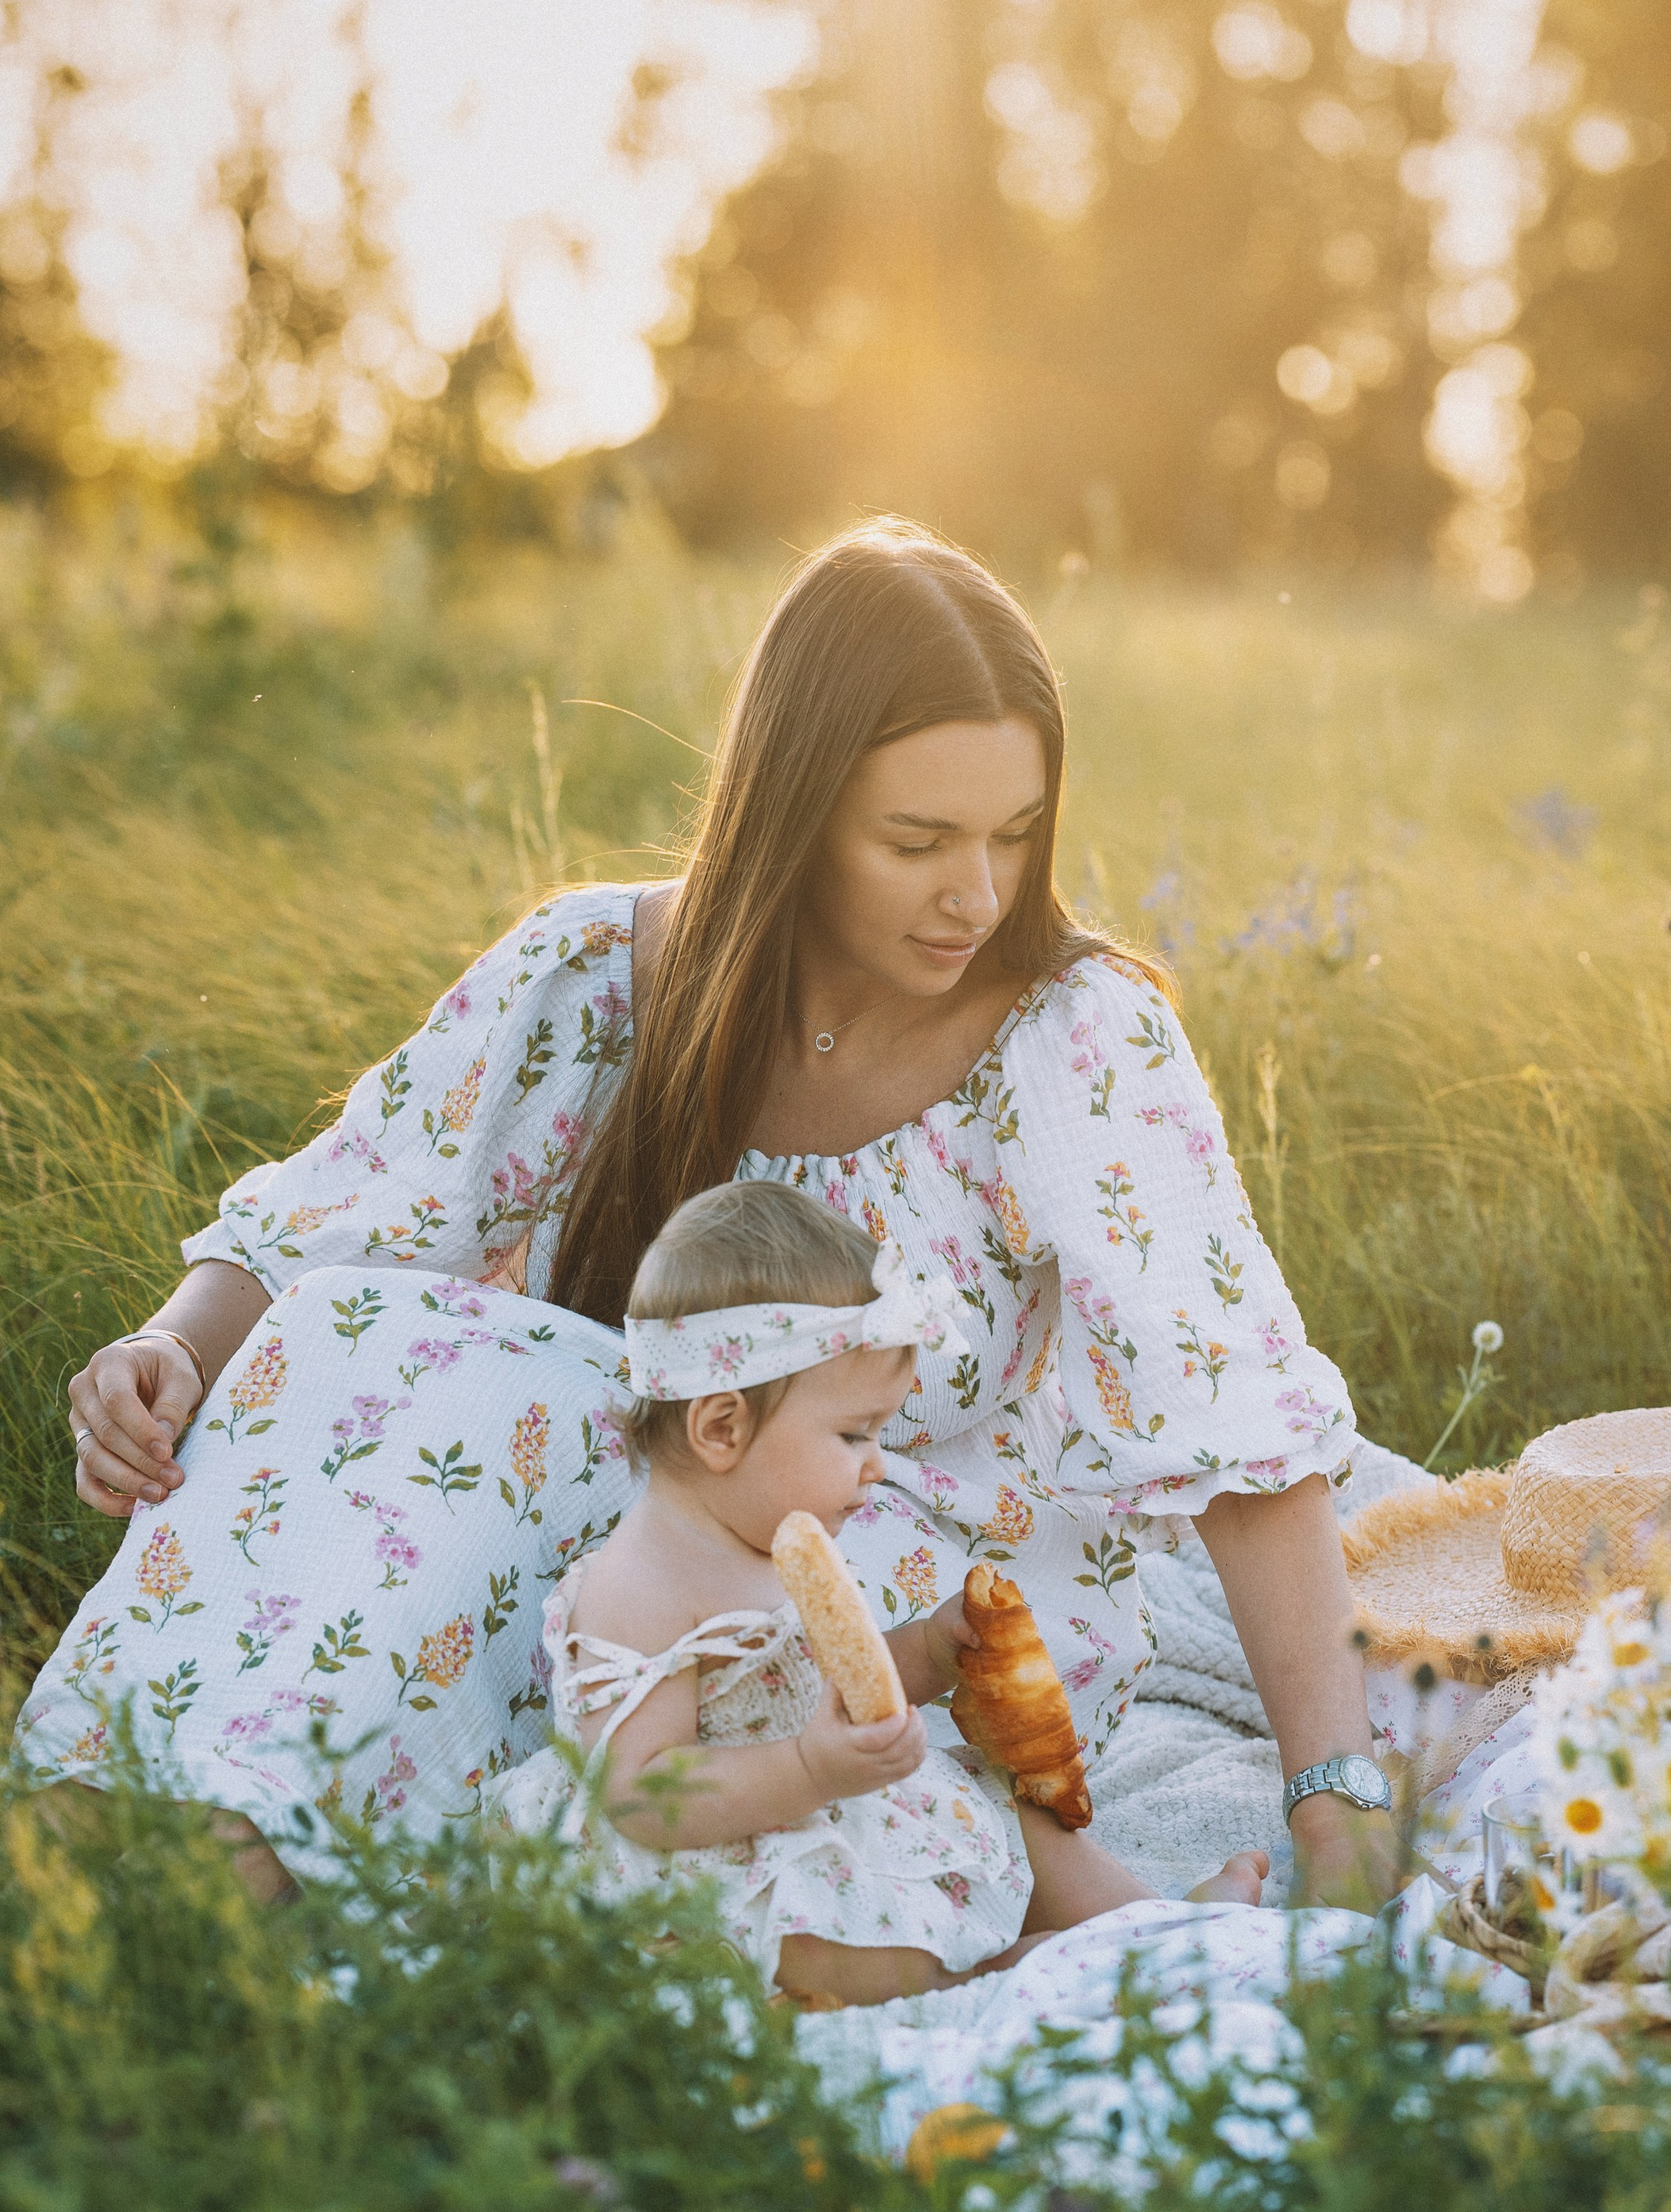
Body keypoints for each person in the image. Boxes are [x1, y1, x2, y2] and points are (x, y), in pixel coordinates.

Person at [24, 519, 1399, 1911]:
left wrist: (1333, 1800)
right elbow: (330, 1221)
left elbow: (1243, 1431)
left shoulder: (1075, 1043)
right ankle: (144, 1806)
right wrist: (176, 1349)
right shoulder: (596, 973)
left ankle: (246, 1870)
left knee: (547, 1431)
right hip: (636, 1544)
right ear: (794, 812)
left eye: (1015, 835)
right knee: (368, 1340)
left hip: (916, 1589)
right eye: (917, 840)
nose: (976, 895)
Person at [494, 1180, 1269, 2003]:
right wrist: (806, 1768)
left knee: (1004, 1814)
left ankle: (1160, 1931)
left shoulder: (773, 1538)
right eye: (853, 1434)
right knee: (840, 1956)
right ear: (722, 1429)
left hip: (821, 1802)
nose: (877, 1464)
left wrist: (928, 1652)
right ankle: (1007, 1979)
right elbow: (640, 1794)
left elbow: (826, 1683)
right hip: (710, 1859)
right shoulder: (639, 1587)